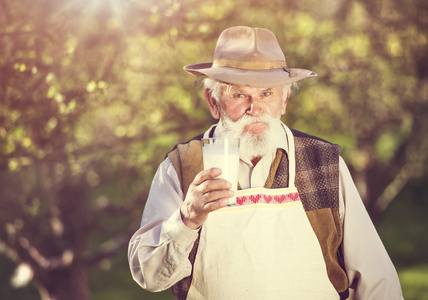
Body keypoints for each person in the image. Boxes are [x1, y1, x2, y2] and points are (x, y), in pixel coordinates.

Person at [128, 26, 404, 299]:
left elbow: (376, 278)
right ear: (213, 102)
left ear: (284, 99)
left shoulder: (325, 162)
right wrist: (187, 219)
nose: (255, 108)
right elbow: (150, 277)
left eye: (266, 93)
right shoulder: (181, 166)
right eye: (239, 95)